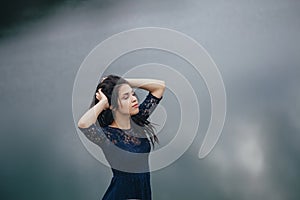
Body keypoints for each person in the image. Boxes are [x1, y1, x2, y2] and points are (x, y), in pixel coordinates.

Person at [78, 75, 165, 200]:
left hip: (143, 193)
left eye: (133, 94)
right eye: (126, 97)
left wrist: (123, 82)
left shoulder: (138, 122)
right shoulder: (107, 136)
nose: (134, 99)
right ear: (112, 106)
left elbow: (159, 87)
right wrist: (103, 103)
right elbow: (83, 124)